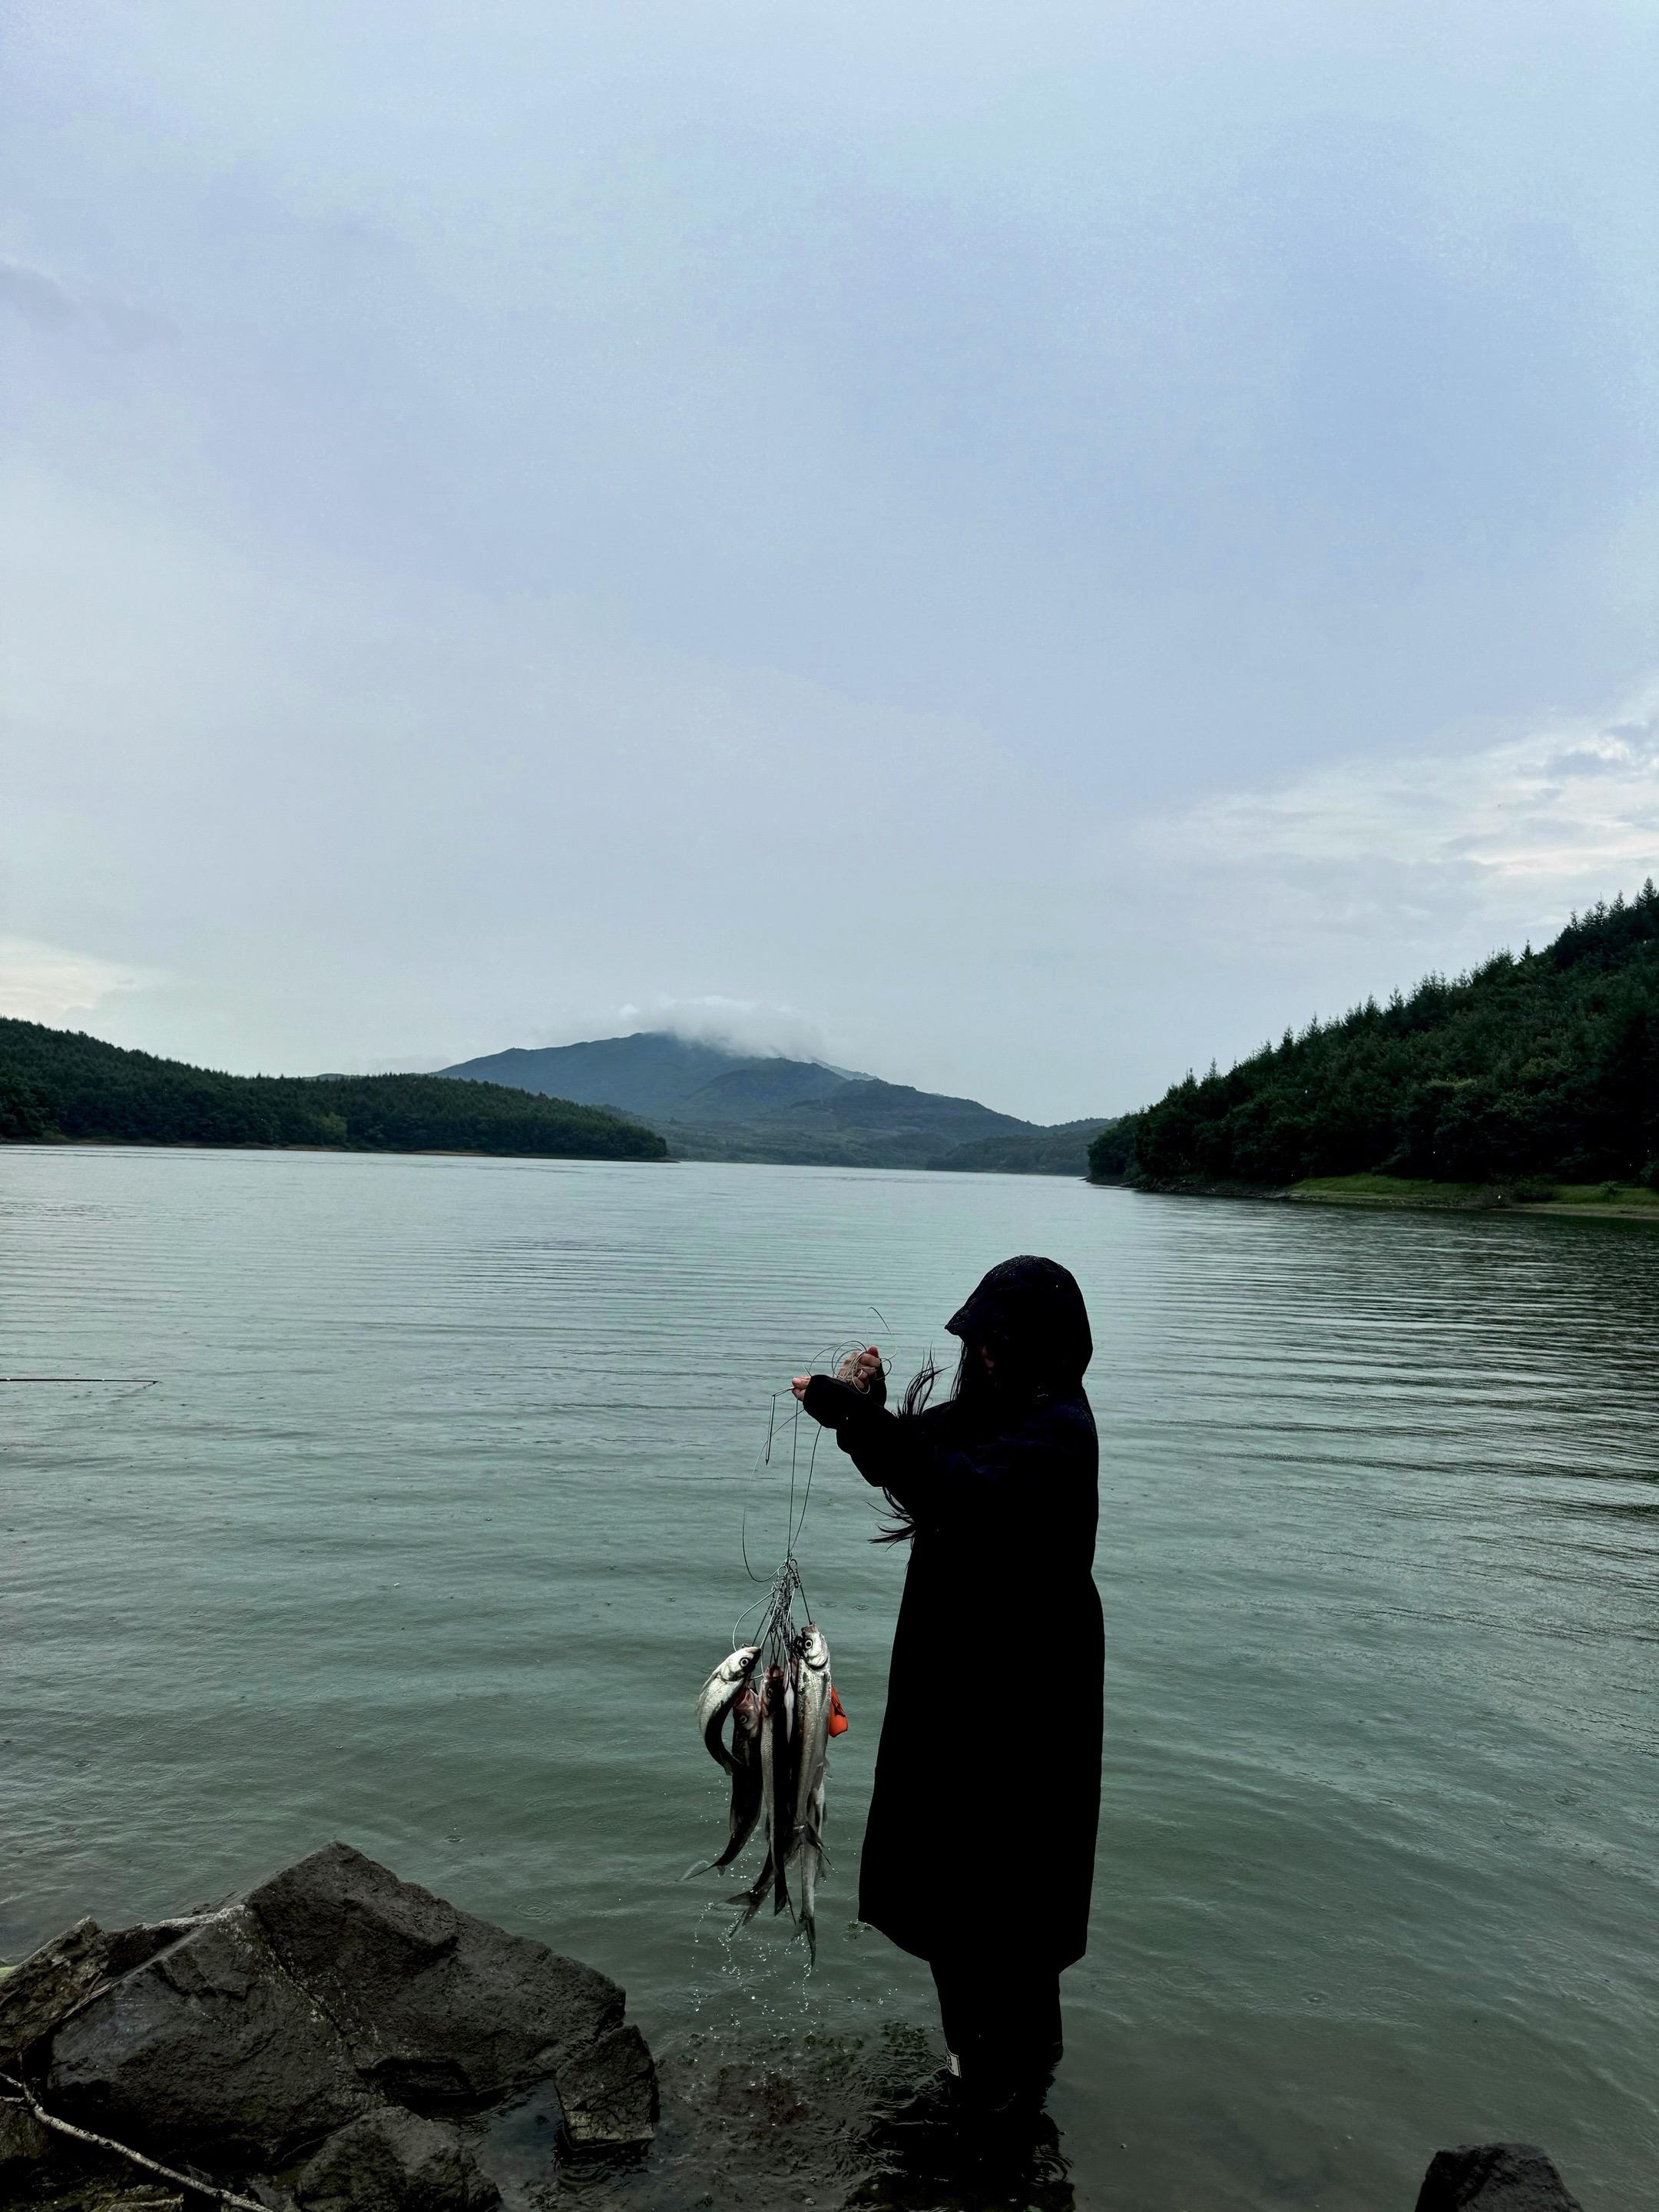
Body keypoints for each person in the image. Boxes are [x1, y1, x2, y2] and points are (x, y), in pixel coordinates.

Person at [791, 1254, 1102, 2123]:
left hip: (1027, 1706)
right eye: (981, 1341)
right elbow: (916, 1458)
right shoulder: (992, 1415)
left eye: (1003, 1342)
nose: (988, 1355)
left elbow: (953, 1488)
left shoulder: (1059, 1433)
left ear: (1046, 1346)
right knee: (955, 1892)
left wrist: (863, 1421)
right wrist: (859, 1414)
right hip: (955, 1688)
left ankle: (1007, 2089)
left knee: (1009, 1905)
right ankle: (988, 2080)